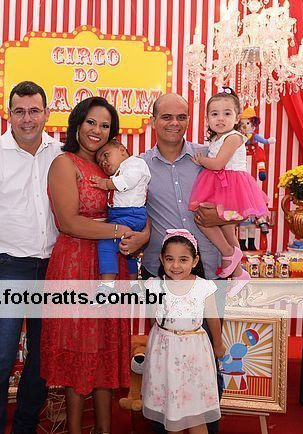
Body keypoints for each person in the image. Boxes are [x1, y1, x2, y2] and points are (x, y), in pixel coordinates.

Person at [119, 93, 225, 434]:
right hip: (162, 270)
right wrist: (139, 237)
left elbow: (236, 200)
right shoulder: (138, 166)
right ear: (153, 121)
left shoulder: (207, 158)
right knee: (167, 353)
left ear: (189, 120)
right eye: (166, 117)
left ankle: (207, 425)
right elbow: (135, 211)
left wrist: (222, 216)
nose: (174, 123)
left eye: (181, 117)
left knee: (208, 355)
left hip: (208, 266)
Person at [0, 81, 63, 434]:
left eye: (34, 111)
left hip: (52, 267)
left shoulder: (60, 154)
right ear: (9, 114)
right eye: (19, 111)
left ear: (47, 113)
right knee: (0, 355)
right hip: (7, 266)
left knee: (42, 356)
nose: (27, 119)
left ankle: (24, 425)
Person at [41, 96, 144, 434]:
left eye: (105, 125)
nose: (96, 130)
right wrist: (118, 231)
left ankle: (104, 428)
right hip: (75, 263)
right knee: (79, 349)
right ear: (77, 124)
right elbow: (69, 222)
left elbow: (140, 207)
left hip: (111, 264)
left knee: (105, 349)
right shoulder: (64, 163)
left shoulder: (113, 168)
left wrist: (140, 235)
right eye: (91, 122)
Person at [142, 230, 225, 434]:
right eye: (170, 259)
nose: (176, 266)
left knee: (195, 412)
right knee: (172, 412)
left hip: (194, 356)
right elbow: (154, 319)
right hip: (165, 355)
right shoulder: (155, 285)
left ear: (195, 260)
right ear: (161, 259)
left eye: (183, 260)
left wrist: (218, 344)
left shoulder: (203, 287)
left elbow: (213, 318)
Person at [189, 88, 268, 296]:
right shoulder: (217, 139)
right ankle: (239, 272)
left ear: (237, 117)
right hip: (219, 185)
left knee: (203, 218)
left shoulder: (234, 137)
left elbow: (218, 164)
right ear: (207, 119)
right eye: (214, 114)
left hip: (231, 186)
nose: (220, 118)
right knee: (225, 226)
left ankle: (228, 253)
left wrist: (201, 160)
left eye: (227, 113)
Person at [90, 139, 151, 298]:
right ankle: (134, 285)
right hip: (121, 214)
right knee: (127, 250)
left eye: (106, 155)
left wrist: (105, 183)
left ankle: (107, 286)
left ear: (122, 150)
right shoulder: (119, 171)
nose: (103, 162)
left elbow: (127, 182)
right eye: (100, 162)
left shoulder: (135, 164)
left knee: (106, 244)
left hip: (131, 214)